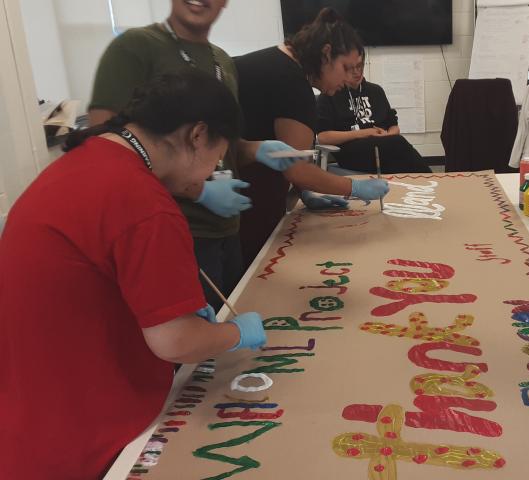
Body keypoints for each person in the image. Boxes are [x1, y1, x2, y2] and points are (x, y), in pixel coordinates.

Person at [0, 71, 268, 479]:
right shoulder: (143, 202)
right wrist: (234, 335)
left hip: (29, 418)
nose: (209, 173)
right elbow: (175, 341)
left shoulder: (85, 161)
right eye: (218, 157)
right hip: (86, 440)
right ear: (198, 135)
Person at [88, 0, 347, 311]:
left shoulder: (221, 61)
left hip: (225, 229)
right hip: (174, 231)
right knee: (189, 347)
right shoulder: (135, 48)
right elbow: (104, 150)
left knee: (227, 333)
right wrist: (198, 192)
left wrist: (257, 149)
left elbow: (224, 144)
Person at [235, 8, 390, 267]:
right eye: (345, 67)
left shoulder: (277, 61)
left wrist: (305, 191)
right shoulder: (292, 82)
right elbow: (296, 168)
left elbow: (287, 155)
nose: (349, 79)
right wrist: (354, 188)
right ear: (326, 53)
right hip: (238, 196)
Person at [316, 50, 433, 174]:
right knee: (398, 146)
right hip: (352, 151)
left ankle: (417, 184)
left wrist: (387, 136)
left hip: (385, 146)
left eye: (360, 66)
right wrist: (365, 133)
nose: (357, 71)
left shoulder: (376, 91)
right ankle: (430, 179)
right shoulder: (331, 92)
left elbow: (394, 126)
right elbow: (323, 137)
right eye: (351, 68)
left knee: (396, 149)